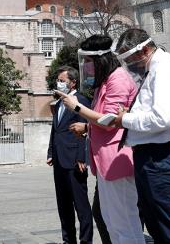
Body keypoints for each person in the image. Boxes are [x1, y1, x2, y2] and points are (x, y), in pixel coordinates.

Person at [57, 35, 145, 244]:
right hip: (105, 161)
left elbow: (110, 120)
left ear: (100, 60)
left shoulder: (119, 79)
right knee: (110, 221)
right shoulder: (104, 82)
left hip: (118, 159)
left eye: (88, 62)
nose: (86, 67)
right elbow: (100, 119)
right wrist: (88, 126)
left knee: (124, 222)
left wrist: (77, 107)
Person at [112, 28, 170, 244]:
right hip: (150, 155)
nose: (130, 66)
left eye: (131, 60)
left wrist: (125, 119)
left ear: (145, 50)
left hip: (159, 156)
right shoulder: (154, 68)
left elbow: (162, 118)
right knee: (157, 224)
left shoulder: (165, 69)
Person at [48, 66, 94, 244]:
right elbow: (55, 131)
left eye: (62, 81)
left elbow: (85, 130)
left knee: (81, 206)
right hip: (60, 160)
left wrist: (82, 157)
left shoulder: (80, 101)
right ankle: (68, 240)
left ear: (73, 82)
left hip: (75, 161)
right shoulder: (59, 103)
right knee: (63, 205)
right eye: (58, 80)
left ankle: (86, 241)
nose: (59, 83)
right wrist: (51, 152)